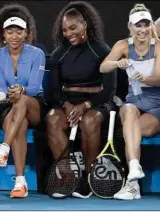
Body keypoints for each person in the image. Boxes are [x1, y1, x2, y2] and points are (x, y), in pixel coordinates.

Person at [46, 1, 117, 199]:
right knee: (52, 119)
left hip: (96, 102)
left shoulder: (102, 50)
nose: (68, 33)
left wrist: (85, 105)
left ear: (84, 24)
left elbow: (109, 89)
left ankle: (88, 177)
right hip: (68, 102)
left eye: (73, 28)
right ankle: (68, 177)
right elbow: (53, 89)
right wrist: (66, 104)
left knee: (90, 120)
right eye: (65, 30)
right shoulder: (60, 53)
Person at [99, 4, 160, 200]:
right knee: (128, 110)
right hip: (134, 103)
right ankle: (133, 168)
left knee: (131, 130)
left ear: (151, 26)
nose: (142, 30)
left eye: (146, 25)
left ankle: (132, 185)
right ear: (130, 27)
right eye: (138, 25)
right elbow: (103, 67)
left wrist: (142, 78)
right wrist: (117, 63)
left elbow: (157, 79)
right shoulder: (122, 45)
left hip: (157, 106)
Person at [0, 3, 47, 199]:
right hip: (8, 107)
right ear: (3, 34)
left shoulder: (37, 54)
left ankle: (4, 149)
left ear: (26, 34)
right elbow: (0, 89)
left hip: (35, 105)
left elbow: (36, 87)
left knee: (22, 101)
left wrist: (21, 90)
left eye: (19, 31)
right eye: (10, 32)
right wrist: (14, 93)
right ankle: (21, 183)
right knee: (19, 124)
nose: (14, 36)